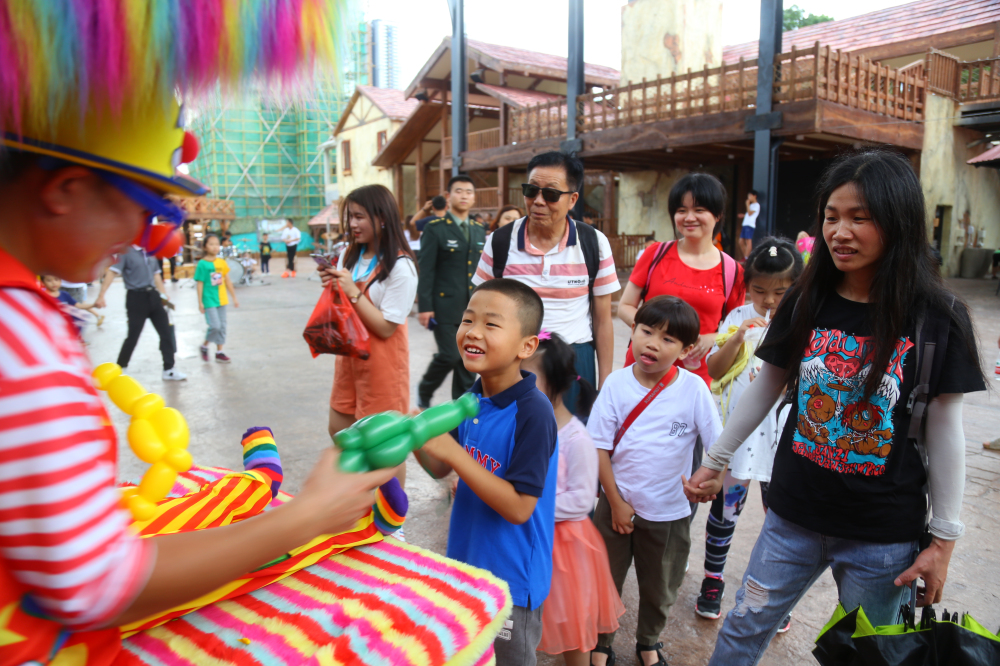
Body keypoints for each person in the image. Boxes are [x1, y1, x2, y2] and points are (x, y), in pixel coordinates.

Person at [0, 106, 396, 664]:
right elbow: (97, 586)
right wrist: (307, 516)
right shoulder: (22, 336)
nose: (151, 237)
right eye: (146, 208)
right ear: (65, 189)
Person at [684, 149, 987, 665]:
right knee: (743, 627)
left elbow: (944, 428)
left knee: (867, 656)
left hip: (883, 537)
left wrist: (945, 539)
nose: (840, 231)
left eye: (859, 218)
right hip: (793, 516)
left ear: (899, 221)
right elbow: (768, 383)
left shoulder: (938, 317)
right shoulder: (807, 298)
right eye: (831, 216)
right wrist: (716, 458)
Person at [415, 279, 558, 666]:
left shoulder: (534, 412)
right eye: (467, 320)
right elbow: (440, 466)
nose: (473, 332)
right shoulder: (471, 399)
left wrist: (457, 456)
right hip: (466, 567)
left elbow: (518, 508)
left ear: (526, 346)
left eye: (491, 325)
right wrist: (416, 437)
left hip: (511, 582)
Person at [588, 296, 722, 666]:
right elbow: (598, 447)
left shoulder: (694, 390)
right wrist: (614, 502)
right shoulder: (616, 384)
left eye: (668, 339)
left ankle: (648, 641)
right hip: (615, 506)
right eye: (646, 332)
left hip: (670, 513)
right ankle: (601, 644)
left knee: (660, 586)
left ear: (686, 349)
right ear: (632, 331)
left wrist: (714, 478)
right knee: (604, 581)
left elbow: (718, 444)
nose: (652, 344)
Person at [695, 238, 804, 626]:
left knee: (782, 522)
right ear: (747, 286)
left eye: (780, 291)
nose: (769, 300)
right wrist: (739, 336)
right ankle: (713, 580)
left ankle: (774, 597)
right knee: (725, 513)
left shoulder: (805, 321)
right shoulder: (736, 318)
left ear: (796, 287)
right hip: (741, 439)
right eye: (759, 290)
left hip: (784, 443)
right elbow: (716, 370)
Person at [473, 151, 619, 414]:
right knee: (513, 443)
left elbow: (602, 319)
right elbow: (480, 310)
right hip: (514, 359)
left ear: (572, 199)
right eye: (531, 191)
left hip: (574, 361)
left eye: (550, 194)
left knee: (569, 444)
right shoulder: (500, 242)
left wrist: (605, 379)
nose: (538, 201)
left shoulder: (593, 243)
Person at [522, 331, 625, 666]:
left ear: (556, 384)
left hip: (565, 547)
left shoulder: (576, 438)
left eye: (527, 377)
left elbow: (582, 501)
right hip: (531, 540)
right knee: (530, 616)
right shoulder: (523, 425)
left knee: (571, 621)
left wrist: (525, 504)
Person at [321, 184, 418, 492]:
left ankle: (393, 517)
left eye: (360, 217)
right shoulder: (349, 255)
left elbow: (386, 327)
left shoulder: (401, 268)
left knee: (384, 443)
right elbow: (342, 307)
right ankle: (361, 495)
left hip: (383, 364)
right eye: (350, 216)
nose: (352, 224)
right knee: (339, 427)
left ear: (383, 218)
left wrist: (350, 290)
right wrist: (332, 285)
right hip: (350, 357)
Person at [618, 173, 745, 387]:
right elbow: (625, 306)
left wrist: (709, 339)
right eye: (681, 210)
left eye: (699, 210)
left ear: (718, 215)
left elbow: (734, 327)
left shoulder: (732, 270)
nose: (689, 217)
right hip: (643, 368)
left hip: (695, 376)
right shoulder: (655, 254)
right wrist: (657, 333)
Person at [416, 174, 486, 408]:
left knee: (468, 361)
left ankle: (461, 412)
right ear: (448, 196)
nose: (464, 195)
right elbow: (426, 270)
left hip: (472, 309)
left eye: (469, 191)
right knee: (450, 355)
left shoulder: (478, 230)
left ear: (474, 198)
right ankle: (425, 389)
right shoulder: (435, 229)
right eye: (459, 191)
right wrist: (425, 307)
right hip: (444, 307)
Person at [95, 244, 187, 381]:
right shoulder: (125, 252)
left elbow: (156, 276)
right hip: (136, 298)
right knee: (133, 335)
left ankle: (169, 369)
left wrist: (163, 294)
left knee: (166, 333)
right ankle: (121, 368)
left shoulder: (150, 251)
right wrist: (101, 295)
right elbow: (112, 272)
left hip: (154, 297)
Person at [195, 233, 240, 364]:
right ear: (205, 247)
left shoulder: (222, 262)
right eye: (211, 244)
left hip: (222, 299)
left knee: (222, 326)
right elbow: (200, 283)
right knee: (215, 326)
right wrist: (200, 303)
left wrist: (234, 297)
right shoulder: (202, 264)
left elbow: (227, 281)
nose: (215, 247)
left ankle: (219, 352)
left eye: (216, 244)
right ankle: (204, 346)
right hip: (209, 300)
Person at [738, 190, 760, 259]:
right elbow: (749, 213)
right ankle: (746, 257)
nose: (749, 197)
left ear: (755, 196)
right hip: (745, 224)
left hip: (750, 225)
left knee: (748, 242)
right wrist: (744, 215)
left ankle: (746, 258)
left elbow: (750, 213)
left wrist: (747, 204)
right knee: (741, 241)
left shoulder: (757, 205)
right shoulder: (751, 205)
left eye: (750, 196)